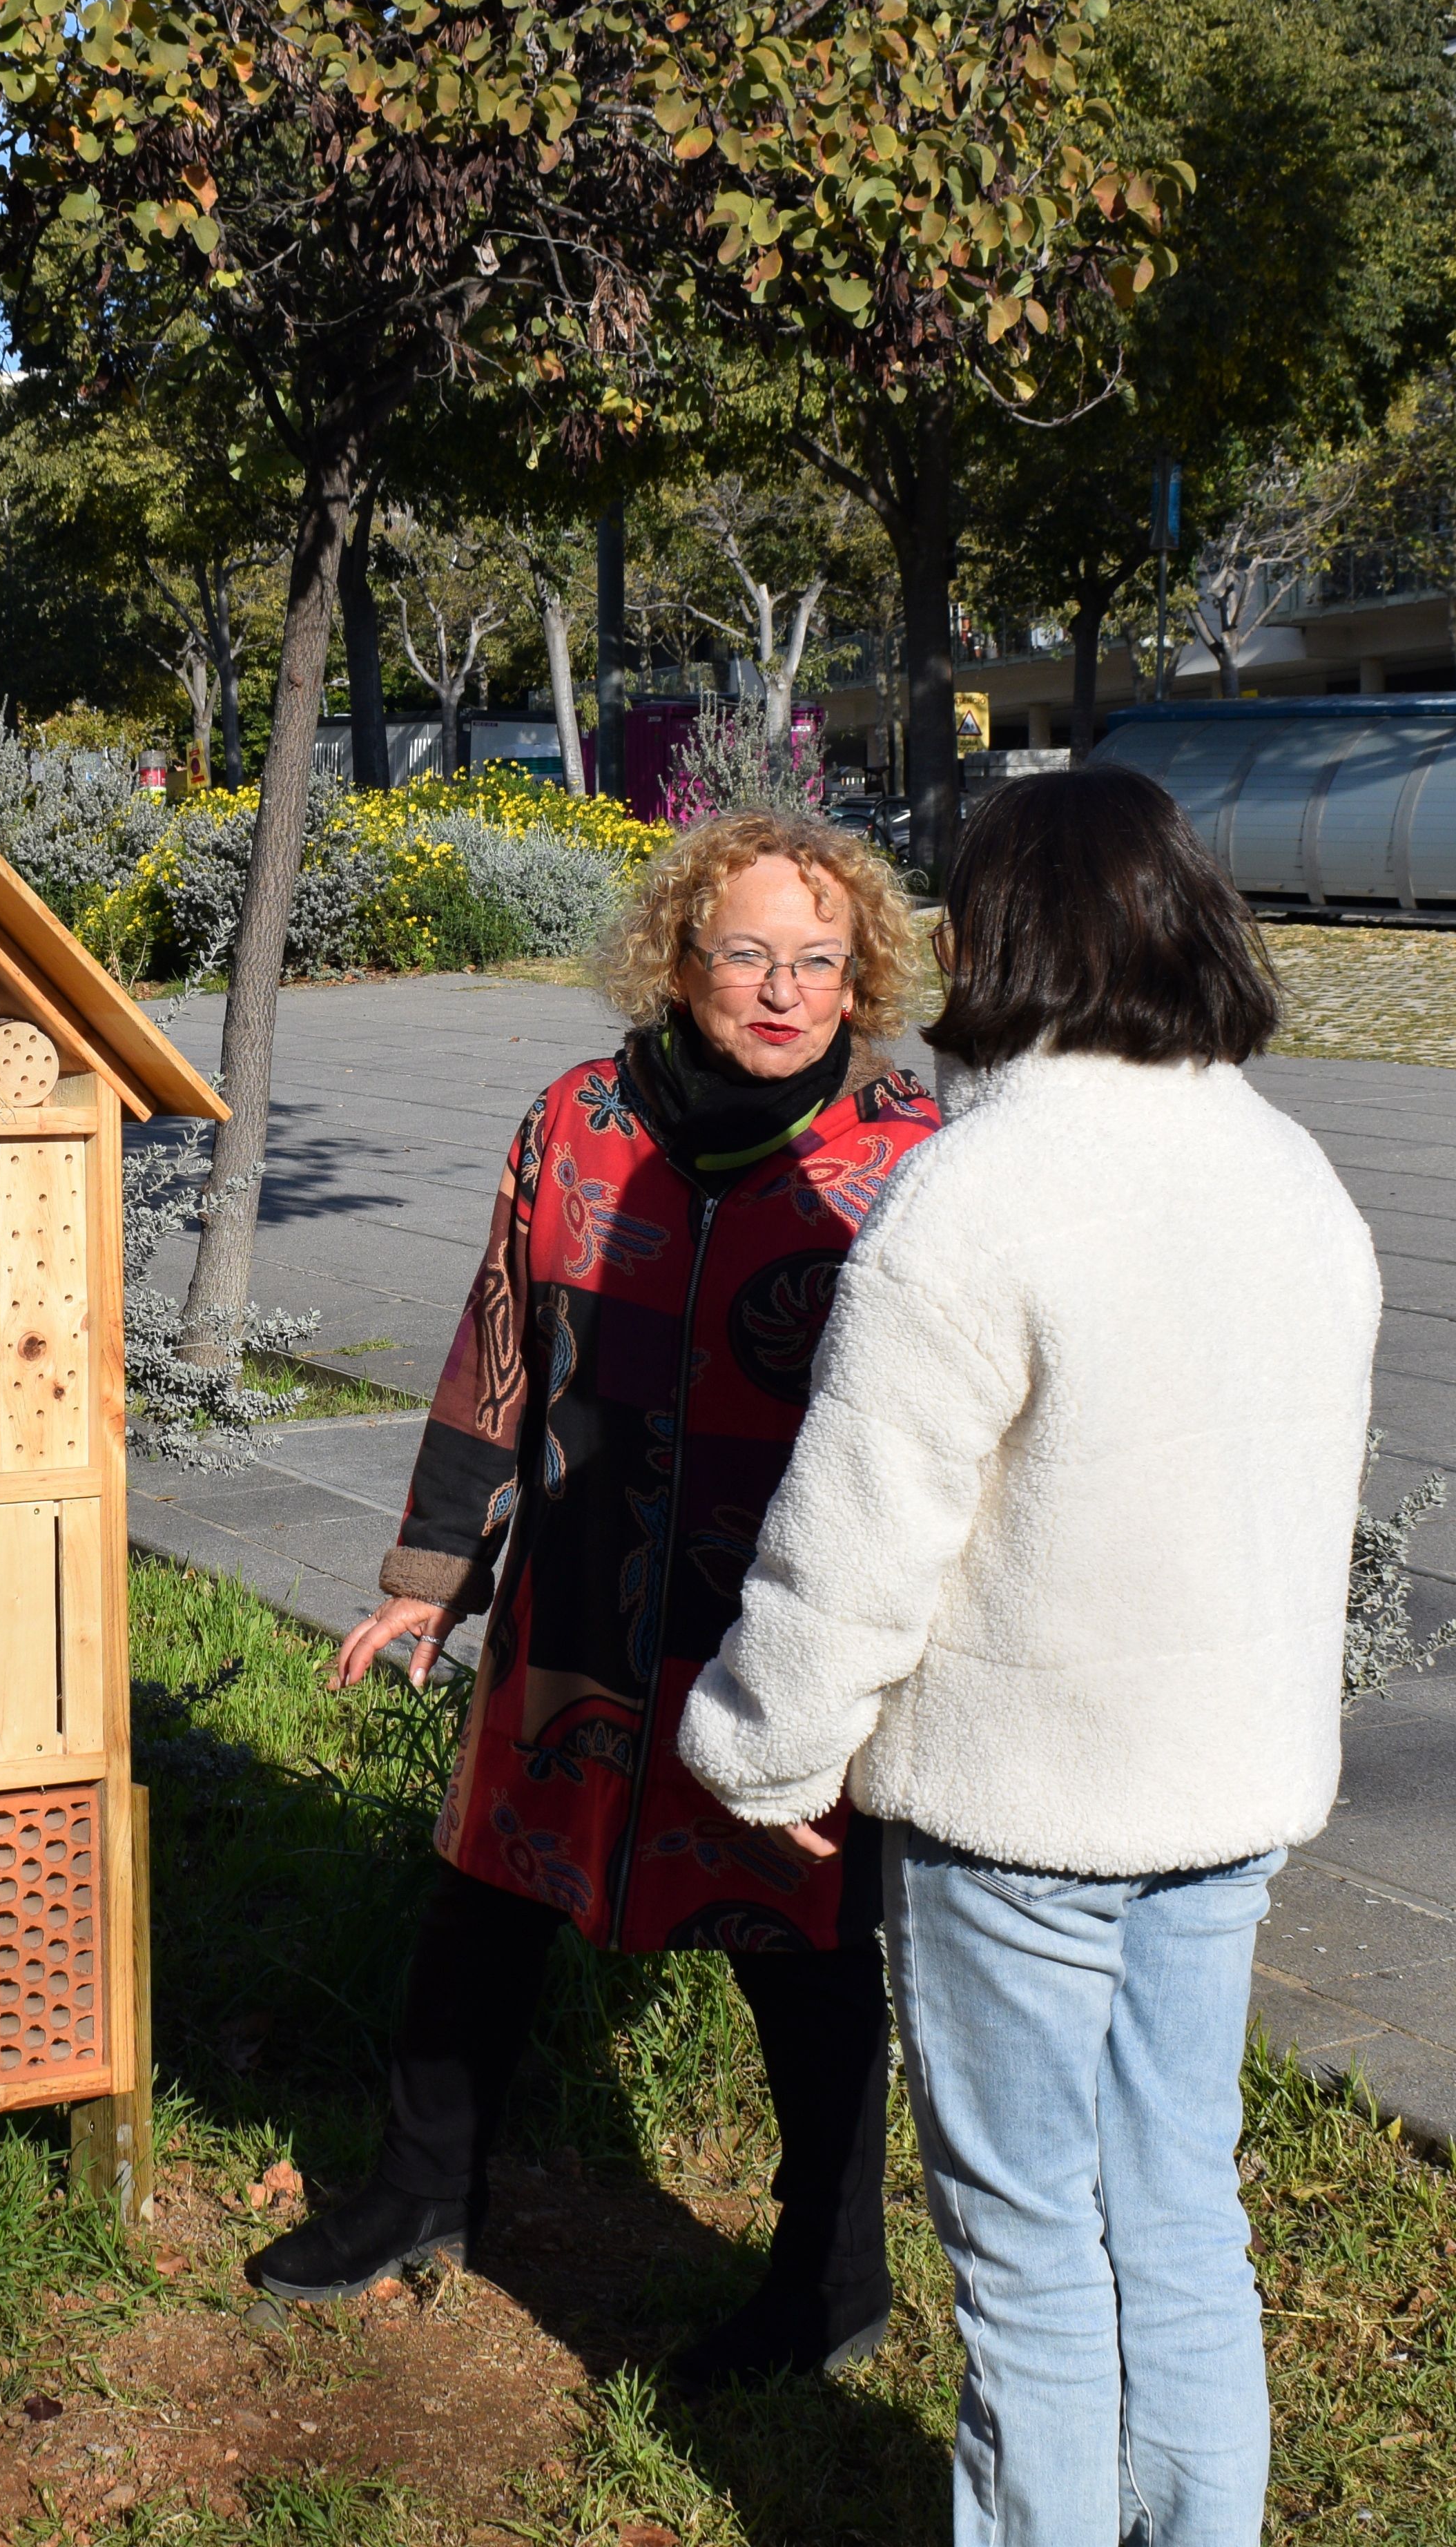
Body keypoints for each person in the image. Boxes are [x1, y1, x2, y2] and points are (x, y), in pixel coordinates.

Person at [675, 766, 1379, 2546]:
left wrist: (766, 1749)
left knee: (1031, 2251)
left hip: (1025, 1810)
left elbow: (861, 1529)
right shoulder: (1291, 1171)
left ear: (990, 938)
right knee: (1183, 2213)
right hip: (1226, 1788)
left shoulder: (975, 1195)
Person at [246, 809, 942, 2392]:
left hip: (781, 1621)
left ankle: (829, 2276)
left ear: (862, 976)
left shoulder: (911, 1160)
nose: (784, 989)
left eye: (819, 959)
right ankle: (421, 2187)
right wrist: (436, 1576)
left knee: (806, 1940)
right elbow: (500, 1338)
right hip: (574, 1605)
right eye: (747, 953)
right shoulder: (577, 1120)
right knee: (487, 1887)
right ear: (680, 959)